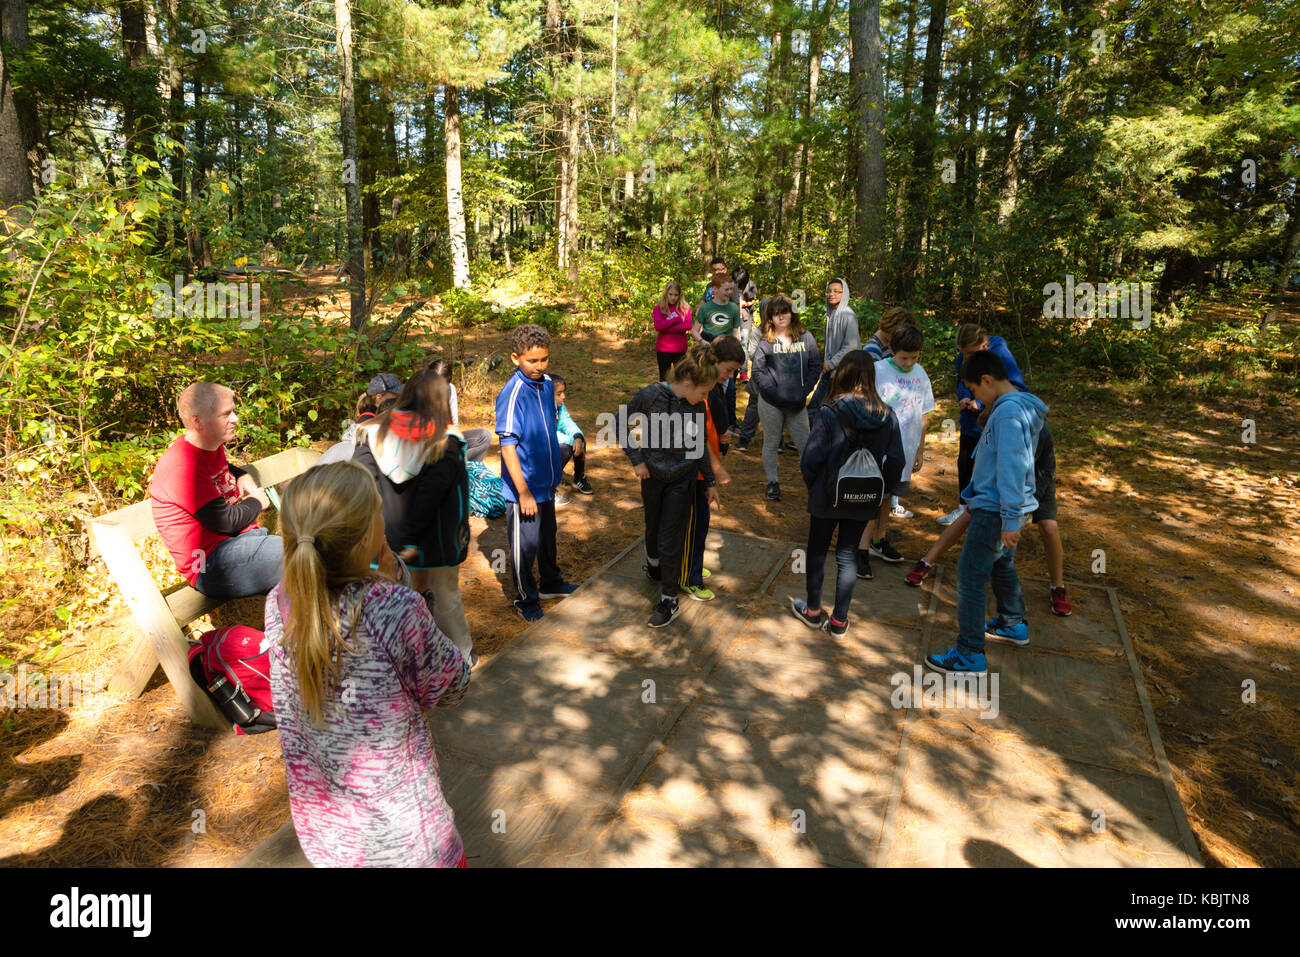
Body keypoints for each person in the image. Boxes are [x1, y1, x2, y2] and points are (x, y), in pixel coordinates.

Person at [266, 461, 471, 867]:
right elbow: (452, 687)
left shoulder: (280, 601)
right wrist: (407, 597)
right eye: (378, 510)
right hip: (411, 844)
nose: (385, 517)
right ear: (364, 540)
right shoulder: (394, 610)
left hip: (330, 840)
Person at [924, 350, 1048, 676]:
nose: (975, 398)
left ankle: (969, 654)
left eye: (975, 391)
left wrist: (1008, 517)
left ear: (988, 380)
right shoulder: (1020, 405)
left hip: (996, 511)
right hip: (1006, 507)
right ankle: (1012, 622)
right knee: (1002, 564)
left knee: (970, 576)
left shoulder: (1008, 414)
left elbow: (1012, 466)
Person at [352, 370, 476, 667]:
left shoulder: (372, 433)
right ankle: (462, 656)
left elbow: (360, 480)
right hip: (440, 540)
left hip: (387, 536)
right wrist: (414, 536)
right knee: (446, 596)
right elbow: (434, 494)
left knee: (399, 597)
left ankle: (403, 658)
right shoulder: (446, 441)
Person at [905, 414, 1072, 616]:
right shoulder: (995, 432)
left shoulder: (1036, 434)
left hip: (1037, 480)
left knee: (1049, 527)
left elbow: (1030, 479)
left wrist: (1019, 509)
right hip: (1003, 478)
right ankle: (926, 562)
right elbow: (984, 465)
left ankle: (1058, 588)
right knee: (969, 513)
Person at [792, 351, 905, 637]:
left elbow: (811, 457)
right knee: (848, 555)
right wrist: (883, 492)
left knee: (817, 551)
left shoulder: (830, 411)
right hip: (864, 495)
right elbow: (897, 461)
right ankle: (840, 621)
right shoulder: (886, 415)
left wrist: (813, 485)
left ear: (843, 374)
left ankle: (813, 611)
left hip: (826, 494)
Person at [150, 382, 281, 599]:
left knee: (309, 553)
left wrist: (240, 473)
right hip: (207, 564)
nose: (236, 419)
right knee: (300, 557)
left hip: (240, 543)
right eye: (226, 414)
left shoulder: (209, 445)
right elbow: (226, 521)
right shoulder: (181, 467)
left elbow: (214, 468)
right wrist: (258, 500)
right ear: (197, 421)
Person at [622, 343, 720, 628]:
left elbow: (699, 444)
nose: (706, 397)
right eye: (704, 391)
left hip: (683, 478)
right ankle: (654, 566)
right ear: (687, 383)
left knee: (670, 537)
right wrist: (636, 459)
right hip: (652, 476)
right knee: (652, 531)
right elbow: (619, 423)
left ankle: (669, 599)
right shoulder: (651, 395)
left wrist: (710, 481)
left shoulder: (697, 406)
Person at [495, 323, 577, 622]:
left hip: (545, 483)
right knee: (524, 546)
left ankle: (550, 583)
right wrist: (523, 492)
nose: (539, 366)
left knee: (547, 537)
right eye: (532, 360)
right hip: (524, 489)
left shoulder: (545, 385)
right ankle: (525, 598)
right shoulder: (513, 393)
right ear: (515, 358)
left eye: (544, 359)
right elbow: (507, 447)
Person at [857, 323, 933, 577]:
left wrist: (919, 451)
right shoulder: (878, 370)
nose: (909, 362)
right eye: (903, 357)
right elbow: (863, 407)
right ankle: (861, 550)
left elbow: (924, 415)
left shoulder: (920, 374)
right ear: (891, 349)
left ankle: (880, 539)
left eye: (914, 357)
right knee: (873, 497)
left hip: (905, 449)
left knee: (888, 496)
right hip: (879, 448)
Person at [939, 322, 1027, 526]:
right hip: (970, 419)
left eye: (970, 352)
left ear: (983, 344)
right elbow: (962, 380)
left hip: (994, 419)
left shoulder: (1000, 353)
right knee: (964, 462)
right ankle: (963, 509)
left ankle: (1003, 513)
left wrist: (979, 403)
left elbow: (1015, 386)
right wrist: (963, 398)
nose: (966, 357)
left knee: (993, 466)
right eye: (962, 353)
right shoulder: (964, 355)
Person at [680, 337, 741, 601]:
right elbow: (696, 440)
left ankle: (693, 565)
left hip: (704, 471)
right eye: (728, 370)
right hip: (695, 472)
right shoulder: (699, 392)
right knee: (693, 525)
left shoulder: (713, 391)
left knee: (700, 525)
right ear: (714, 363)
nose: (730, 376)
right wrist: (715, 472)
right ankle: (688, 578)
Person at [751, 295, 822, 501]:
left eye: (784, 312)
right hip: (771, 403)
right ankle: (772, 483)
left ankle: (812, 483)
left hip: (797, 403)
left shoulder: (805, 338)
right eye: (776, 313)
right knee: (771, 442)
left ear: (792, 313)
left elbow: (815, 366)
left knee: (804, 444)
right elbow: (758, 371)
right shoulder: (766, 341)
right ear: (770, 317)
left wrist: (804, 391)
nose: (781, 317)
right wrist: (773, 391)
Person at [807, 277, 860, 418]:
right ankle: (810, 439)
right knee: (816, 408)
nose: (832, 294)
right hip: (829, 371)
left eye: (837, 291)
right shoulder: (831, 314)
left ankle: (812, 438)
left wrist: (831, 364)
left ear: (845, 294)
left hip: (842, 372)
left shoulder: (848, 315)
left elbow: (851, 346)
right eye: (829, 291)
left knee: (823, 409)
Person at [428, 359, 493, 463]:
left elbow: (454, 425)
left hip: (446, 440)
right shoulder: (419, 392)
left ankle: (460, 467)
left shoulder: (450, 390)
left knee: (484, 436)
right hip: (426, 447)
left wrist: (455, 441)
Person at [550, 374, 593, 503]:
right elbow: (547, 434)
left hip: (553, 441)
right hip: (537, 451)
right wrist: (571, 440)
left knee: (579, 439)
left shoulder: (559, 406)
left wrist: (578, 437)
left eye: (564, 392)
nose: (563, 396)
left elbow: (567, 422)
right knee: (565, 449)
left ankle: (579, 478)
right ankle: (549, 488)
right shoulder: (539, 408)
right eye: (559, 393)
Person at [728, 266, 759, 433]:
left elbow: (753, 301)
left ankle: (743, 370)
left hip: (745, 318)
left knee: (744, 344)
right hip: (734, 319)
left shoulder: (751, 285)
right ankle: (734, 367)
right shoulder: (730, 285)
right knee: (735, 343)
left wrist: (744, 304)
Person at [653, 281, 693, 381]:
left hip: (680, 348)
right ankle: (664, 396)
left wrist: (667, 327)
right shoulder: (658, 308)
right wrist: (675, 320)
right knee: (664, 377)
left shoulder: (684, 309)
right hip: (663, 349)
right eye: (670, 294)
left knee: (682, 377)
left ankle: (680, 397)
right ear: (666, 294)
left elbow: (688, 325)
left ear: (680, 295)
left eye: (676, 295)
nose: (673, 297)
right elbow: (658, 326)